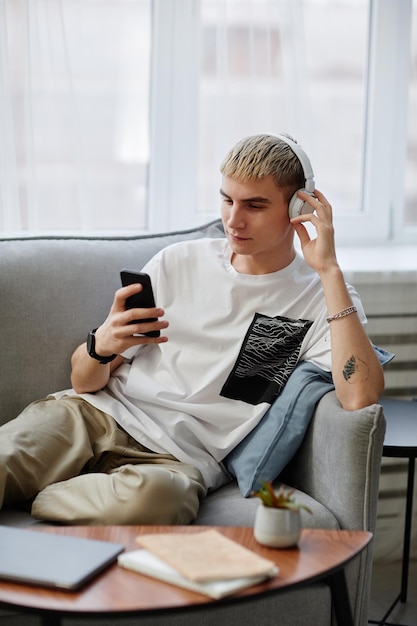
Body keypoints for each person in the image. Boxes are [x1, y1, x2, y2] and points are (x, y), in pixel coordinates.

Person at [0, 133, 384, 525]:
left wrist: (330, 271)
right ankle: (56, 483)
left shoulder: (320, 298)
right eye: (227, 200)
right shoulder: (177, 262)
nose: (234, 220)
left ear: (298, 206)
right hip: (94, 416)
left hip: (178, 461)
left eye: (255, 205)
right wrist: (103, 345)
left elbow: (359, 397)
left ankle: (41, 494)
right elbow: (83, 381)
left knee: (161, 503)